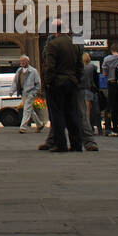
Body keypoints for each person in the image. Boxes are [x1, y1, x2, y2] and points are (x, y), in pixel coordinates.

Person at [42, 20, 83, 152]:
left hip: (57, 83)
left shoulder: (53, 44)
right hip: (72, 82)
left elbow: (50, 67)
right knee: (72, 113)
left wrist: (48, 82)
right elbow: (79, 66)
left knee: (57, 115)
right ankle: (76, 144)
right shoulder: (75, 44)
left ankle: (61, 144)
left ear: (55, 31)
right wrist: (76, 80)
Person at [13, 55, 46, 133]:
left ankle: (23, 127)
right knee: (30, 110)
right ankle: (40, 124)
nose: (22, 62)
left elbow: (38, 83)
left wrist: (34, 92)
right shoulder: (19, 71)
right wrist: (12, 91)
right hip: (23, 93)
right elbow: (15, 82)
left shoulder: (33, 71)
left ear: (28, 61)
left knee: (26, 109)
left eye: (24, 61)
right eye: (21, 61)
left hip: (31, 93)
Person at [76, 52, 101, 150]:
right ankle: (98, 129)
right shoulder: (93, 67)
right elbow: (96, 80)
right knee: (95, 111)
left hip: (82, 89)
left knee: (85, 112)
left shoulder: (80, 68)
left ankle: (88, 129)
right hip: (91, 90)